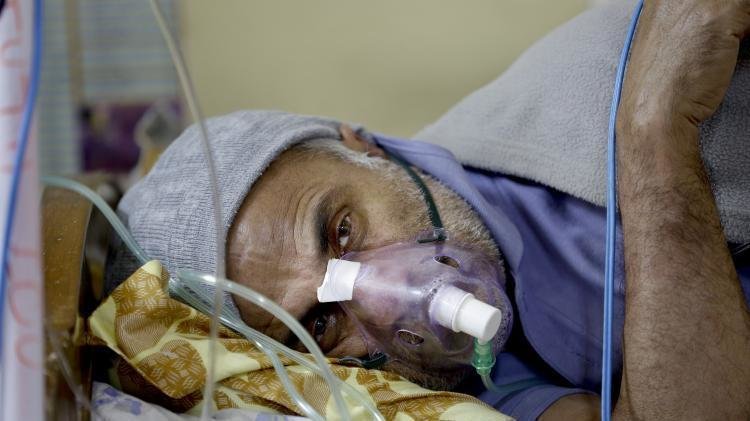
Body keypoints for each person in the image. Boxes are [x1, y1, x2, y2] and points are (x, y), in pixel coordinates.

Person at [106, 0, 750, 419]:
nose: (391, 300)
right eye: (322, 323)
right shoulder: (461, 385)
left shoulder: (607, 76)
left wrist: (645, 114)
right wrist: (654, 140)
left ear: (362, 146)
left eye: (342, 232)